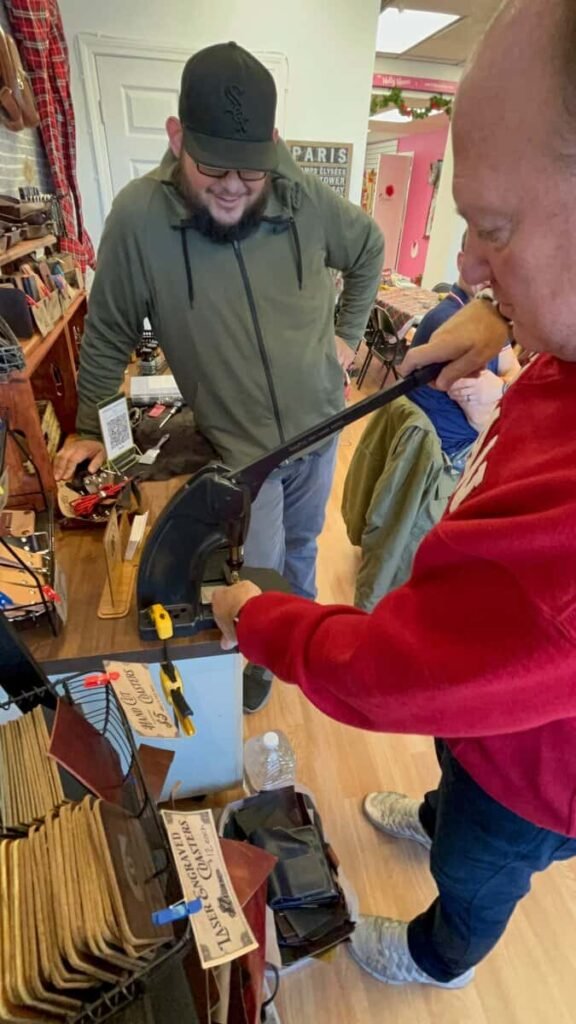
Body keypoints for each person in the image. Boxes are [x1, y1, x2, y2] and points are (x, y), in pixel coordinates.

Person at [212, 0, 576, 990]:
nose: (462, 265)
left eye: (493, 228)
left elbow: (389, 672)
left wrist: (259, 619)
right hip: (494, 728)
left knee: (477, 871)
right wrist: (502, 312)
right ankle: (438, 814)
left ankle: (438, 955)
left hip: (540, 778)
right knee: (458, 780)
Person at [54, 42, 384, 713]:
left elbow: (368, 248)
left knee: (303, 547)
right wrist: (90, 426)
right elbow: (110, 331)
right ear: (177, 138)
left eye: (250, 169)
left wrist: (346, 338)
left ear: (274, 143)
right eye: (212, 167)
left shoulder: (301, 196)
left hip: (323, 425)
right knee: (257, 567)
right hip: (245, 450)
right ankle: (261, 655)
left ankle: (298, 644)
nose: (233, 185)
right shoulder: (138, 219)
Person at [409, 231, 519, 471]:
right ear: (461, 263)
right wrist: (506, 387)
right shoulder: (448, 322)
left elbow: (513, 368)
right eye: (482, 263)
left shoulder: (487, 317)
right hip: (451, 456)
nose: (491, 276)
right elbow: (483, 420)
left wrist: (500, 387)